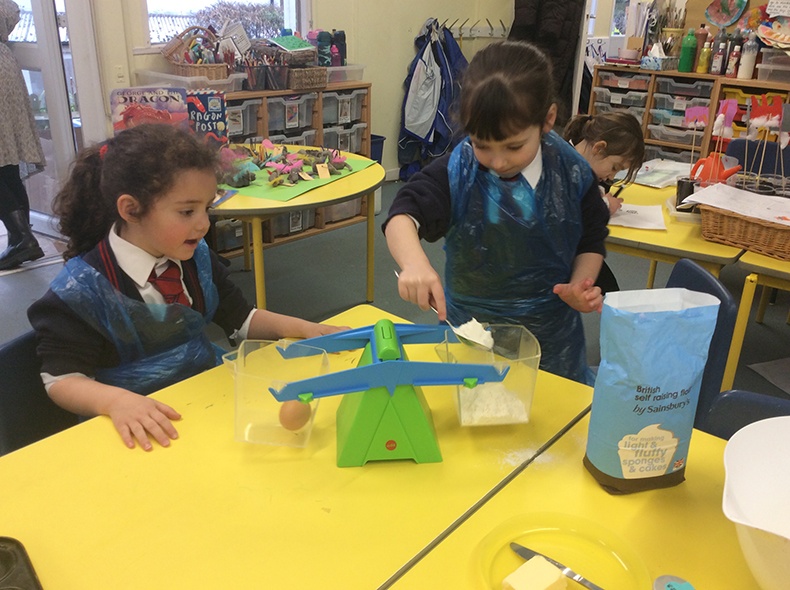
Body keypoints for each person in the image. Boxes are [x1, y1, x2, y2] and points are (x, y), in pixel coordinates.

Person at [28, 124, 345, 451]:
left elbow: (241, 317)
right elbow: (62, 379)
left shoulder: (195, 257)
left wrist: (305, 328)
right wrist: (116, 402)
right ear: (131, 210)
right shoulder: (79, 292)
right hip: (137, 431)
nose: (204, 224)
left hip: (201, 403)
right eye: (187, 211)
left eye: (207, 208)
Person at [383, 40, 609, 386]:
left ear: (547, 120)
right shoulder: (459, 169)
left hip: (551, 342)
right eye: (482, 145)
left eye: (514, 146)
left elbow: (592, 238)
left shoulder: (573, 173)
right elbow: (404, 212)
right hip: (472, 335)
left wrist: (580, 283)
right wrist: (414, 264)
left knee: (551, 409)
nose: (499, 162)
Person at [563, 111, 645, 294]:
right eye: (614, 167)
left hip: (575, 251)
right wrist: (605, 206)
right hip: (558, 257)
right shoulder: (565, 167)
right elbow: (572, 211)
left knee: (609, 289)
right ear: (599, 148)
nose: (611, 176)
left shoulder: (580, 167)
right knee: (608, 291)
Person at [0, 0, 45, 270]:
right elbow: (11, 11)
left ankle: (22, 238)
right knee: (7, 164)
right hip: (5, 68)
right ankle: (20, 240)